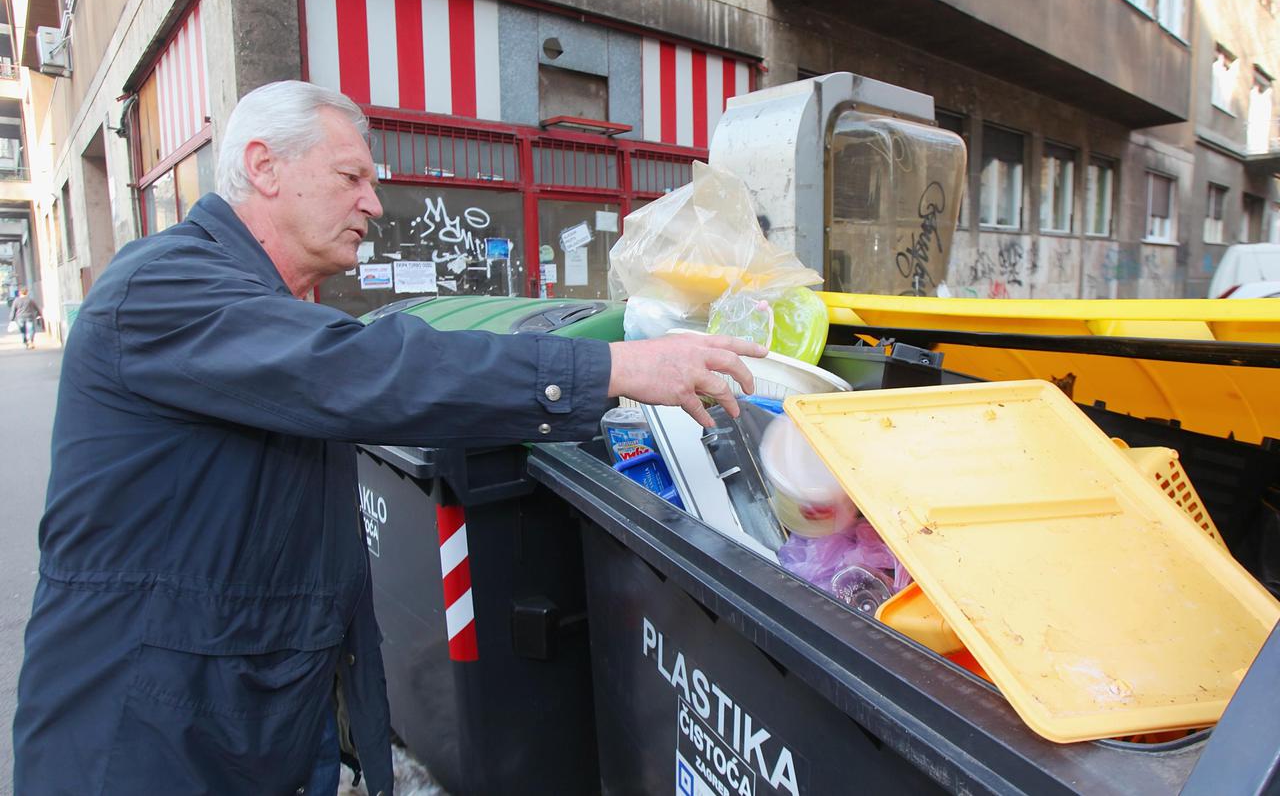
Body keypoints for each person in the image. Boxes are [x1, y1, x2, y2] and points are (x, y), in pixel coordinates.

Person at [11, 81, 764, 796]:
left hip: (240, 718)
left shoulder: (260, 305)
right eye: (351, 178)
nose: (373, 204)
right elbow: (364, 369)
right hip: (144, 737)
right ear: (264, 167)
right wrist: (613, 366)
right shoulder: (163, 288)